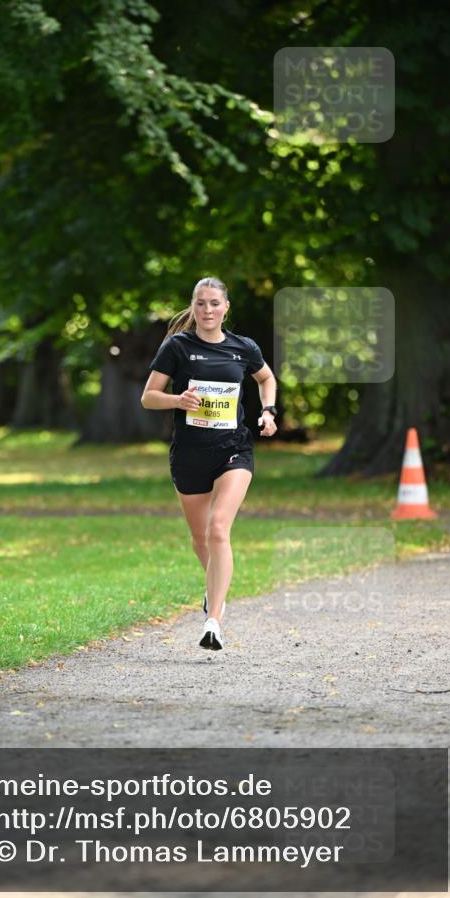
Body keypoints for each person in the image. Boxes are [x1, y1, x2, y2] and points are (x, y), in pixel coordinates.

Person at [141, 277, 277, 651]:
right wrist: (176, 402)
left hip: (234, 449)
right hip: (189, 453)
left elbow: (266, 378)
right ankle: (213, 588)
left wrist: (268, 411)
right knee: (201, 538)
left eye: (214, 303)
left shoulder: (243, 347)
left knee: (219, 529)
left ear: (226, 307)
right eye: (201, 304)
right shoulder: (178, 347)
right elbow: (148, 397)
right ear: (193, 306)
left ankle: (213, 621)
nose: (207, 310)